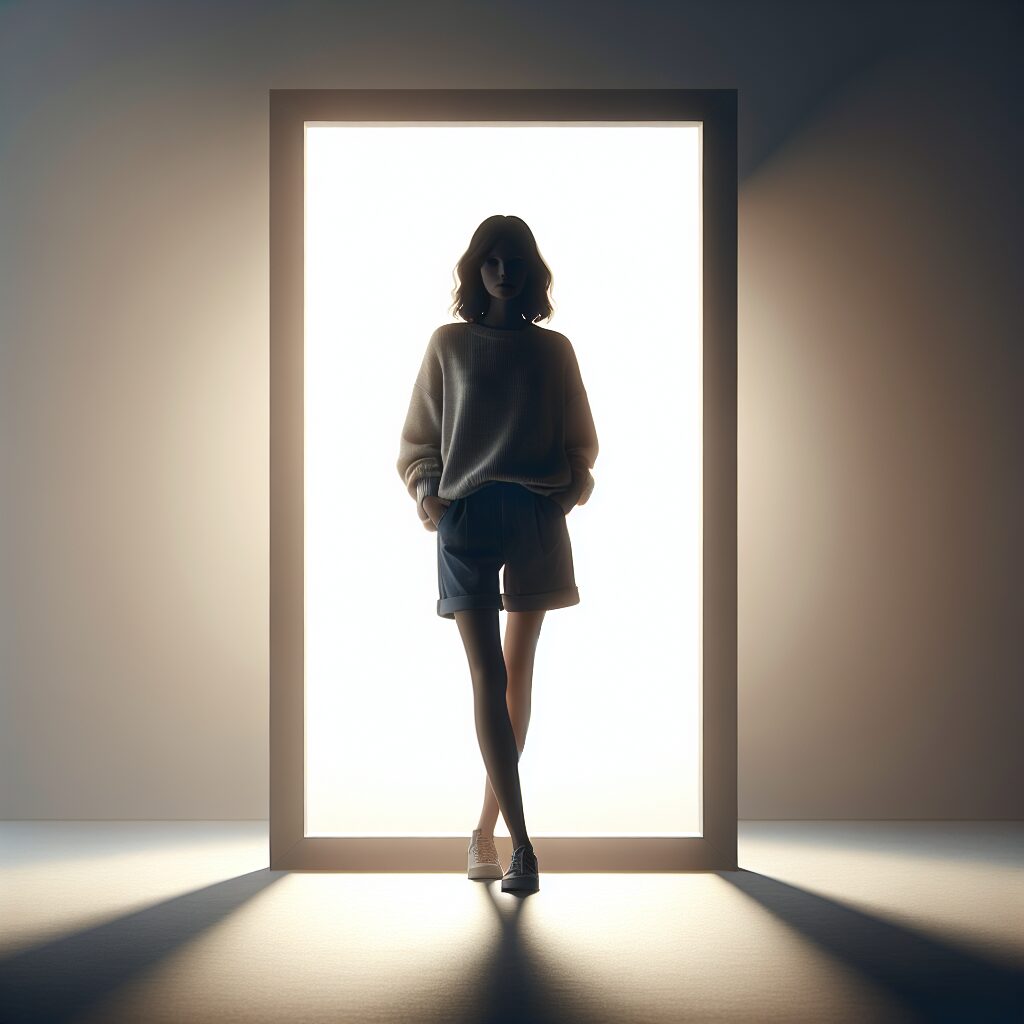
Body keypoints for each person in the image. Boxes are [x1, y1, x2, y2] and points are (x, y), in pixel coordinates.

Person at [396, 215, 599, 895]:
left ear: (533, 270)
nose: (504, 271)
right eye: (491, 259)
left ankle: (486, 830)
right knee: (487, 676)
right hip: (468, 515)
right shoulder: (448, 345)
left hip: (535, 514)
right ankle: (524, 848)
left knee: (516, 677)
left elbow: (581, 443)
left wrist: (566, 490)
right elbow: (420, 439)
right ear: (474, 268)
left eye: (515, 260)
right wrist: (431, 495)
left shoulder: (554, 351)